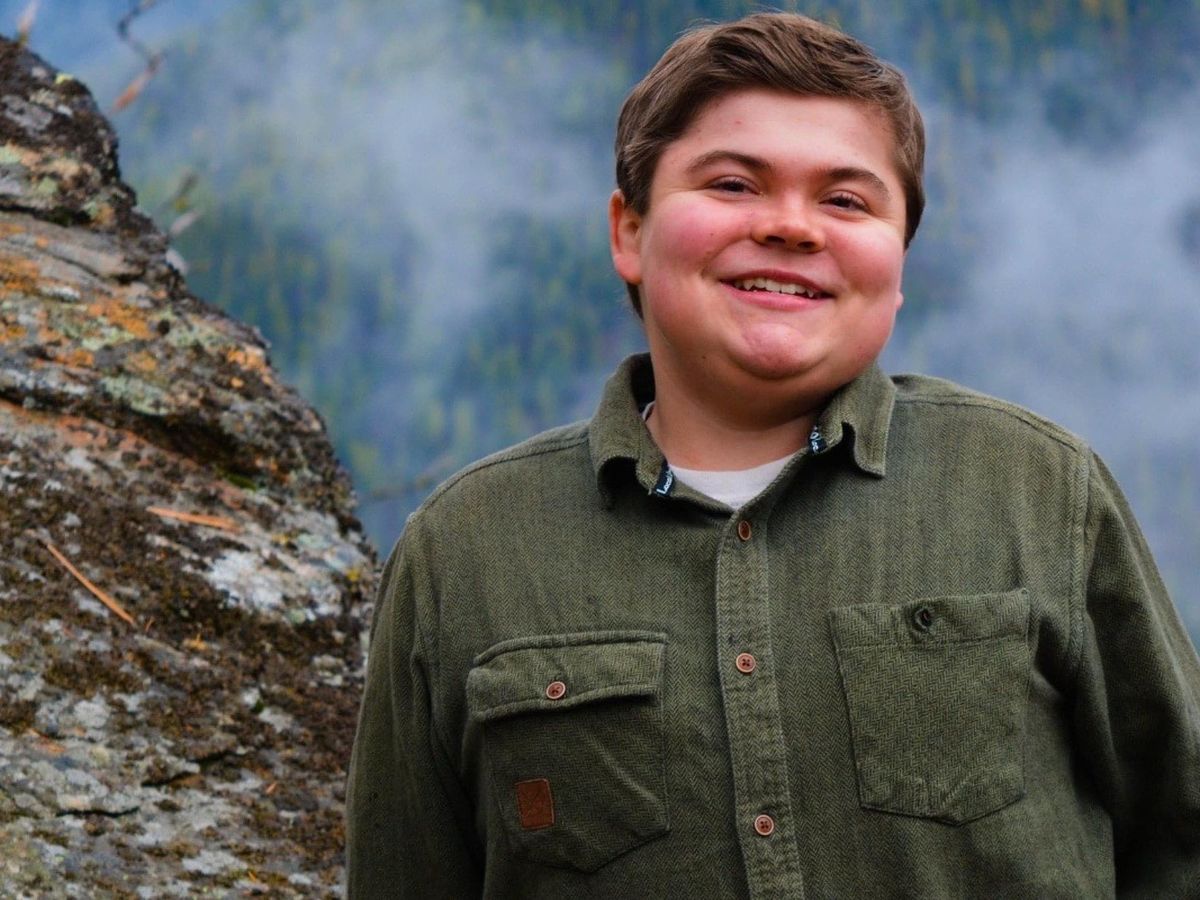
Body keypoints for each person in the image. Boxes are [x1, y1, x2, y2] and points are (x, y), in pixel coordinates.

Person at [346, 12, 1200, 897]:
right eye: (732, 184)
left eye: (846, 201)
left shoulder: (1035, 486)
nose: (793, 226)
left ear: (898, 260)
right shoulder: (465, 551)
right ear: (629, 232)